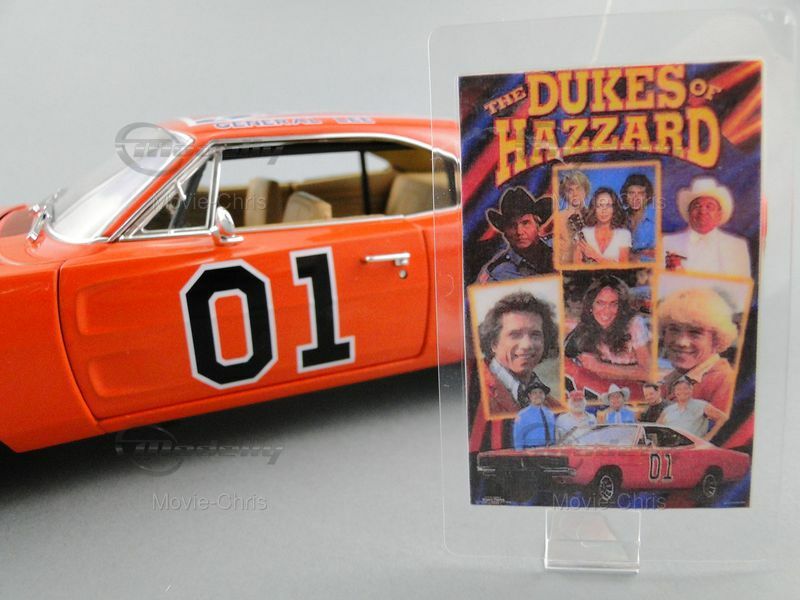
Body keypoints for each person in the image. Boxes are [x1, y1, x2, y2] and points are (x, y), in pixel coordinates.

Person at [478, 291, 561, 415]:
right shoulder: (476, 395)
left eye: (535, 335)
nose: (527, 345)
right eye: (515, 335)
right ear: (494, 343)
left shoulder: (553, 406)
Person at [658, 287, 738, 415]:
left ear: (716, 339)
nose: (681, 342)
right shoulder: (671, 379)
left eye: (695, 332)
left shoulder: (726, 384)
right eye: (674, 329)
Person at [564, 275, 651, 382]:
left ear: (621, 307)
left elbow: (648, 373)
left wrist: (600, 367)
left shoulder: (634, 324)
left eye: (613, 304)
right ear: (591, 305)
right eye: (600, 303)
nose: (606, 311)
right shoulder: (583, 327)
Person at [663, 177, 751, 278]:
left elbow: (741, 285)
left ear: (719, 214)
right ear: (689, 213)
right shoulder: (666, 243)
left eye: (709, 206)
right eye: (697, 206)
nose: (702, 211)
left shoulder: (737, 246)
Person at [477, 187, 554, 282]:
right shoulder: (497, 274)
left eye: (525, 223)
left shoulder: (560, 245)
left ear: (537, 225)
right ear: (505, 233)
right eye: (511, 225)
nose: (519, 232)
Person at [658, 377, 728, 441]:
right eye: (678, 389)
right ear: (675, 392)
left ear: (691, 390)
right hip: (671, 446)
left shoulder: (701, 405)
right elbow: (657, 427)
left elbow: (723, 418)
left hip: (693, 446)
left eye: (685, 388)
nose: (682, 391)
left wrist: (708, 437)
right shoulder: (668, 409)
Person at [574, 187, 632, 263]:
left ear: (614, 209)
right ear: (594, 209)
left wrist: (595, 255)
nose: (604, 210)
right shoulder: (583, 233)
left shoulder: (623, 234)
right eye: (600, 205)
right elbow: (576, 265)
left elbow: (623, 267)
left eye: (608, 205)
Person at [556, 170, 590, 265]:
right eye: (570, 190)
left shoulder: (595, 214)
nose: (575, 194)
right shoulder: (559, 218)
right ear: (564, 194)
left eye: (578, 189)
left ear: (585, 191)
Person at [621, 173, 656, 262]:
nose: (635, 198)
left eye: (640, 193)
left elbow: (656, 255)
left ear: (647, 197)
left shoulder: (654, 222)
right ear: (625, 196)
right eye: (631, 193)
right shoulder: (618, 218)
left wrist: (638, 256)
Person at [513, 380, 557, 449]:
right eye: (534, 393)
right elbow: (518, 439)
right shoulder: (522, 415)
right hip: (531, 451)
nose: (538, 395)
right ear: (529, 396)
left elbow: (553, 435)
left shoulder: (550, 414)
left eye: (541, 392)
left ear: (544, 395)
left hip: (549, 450)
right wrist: (520, 453)